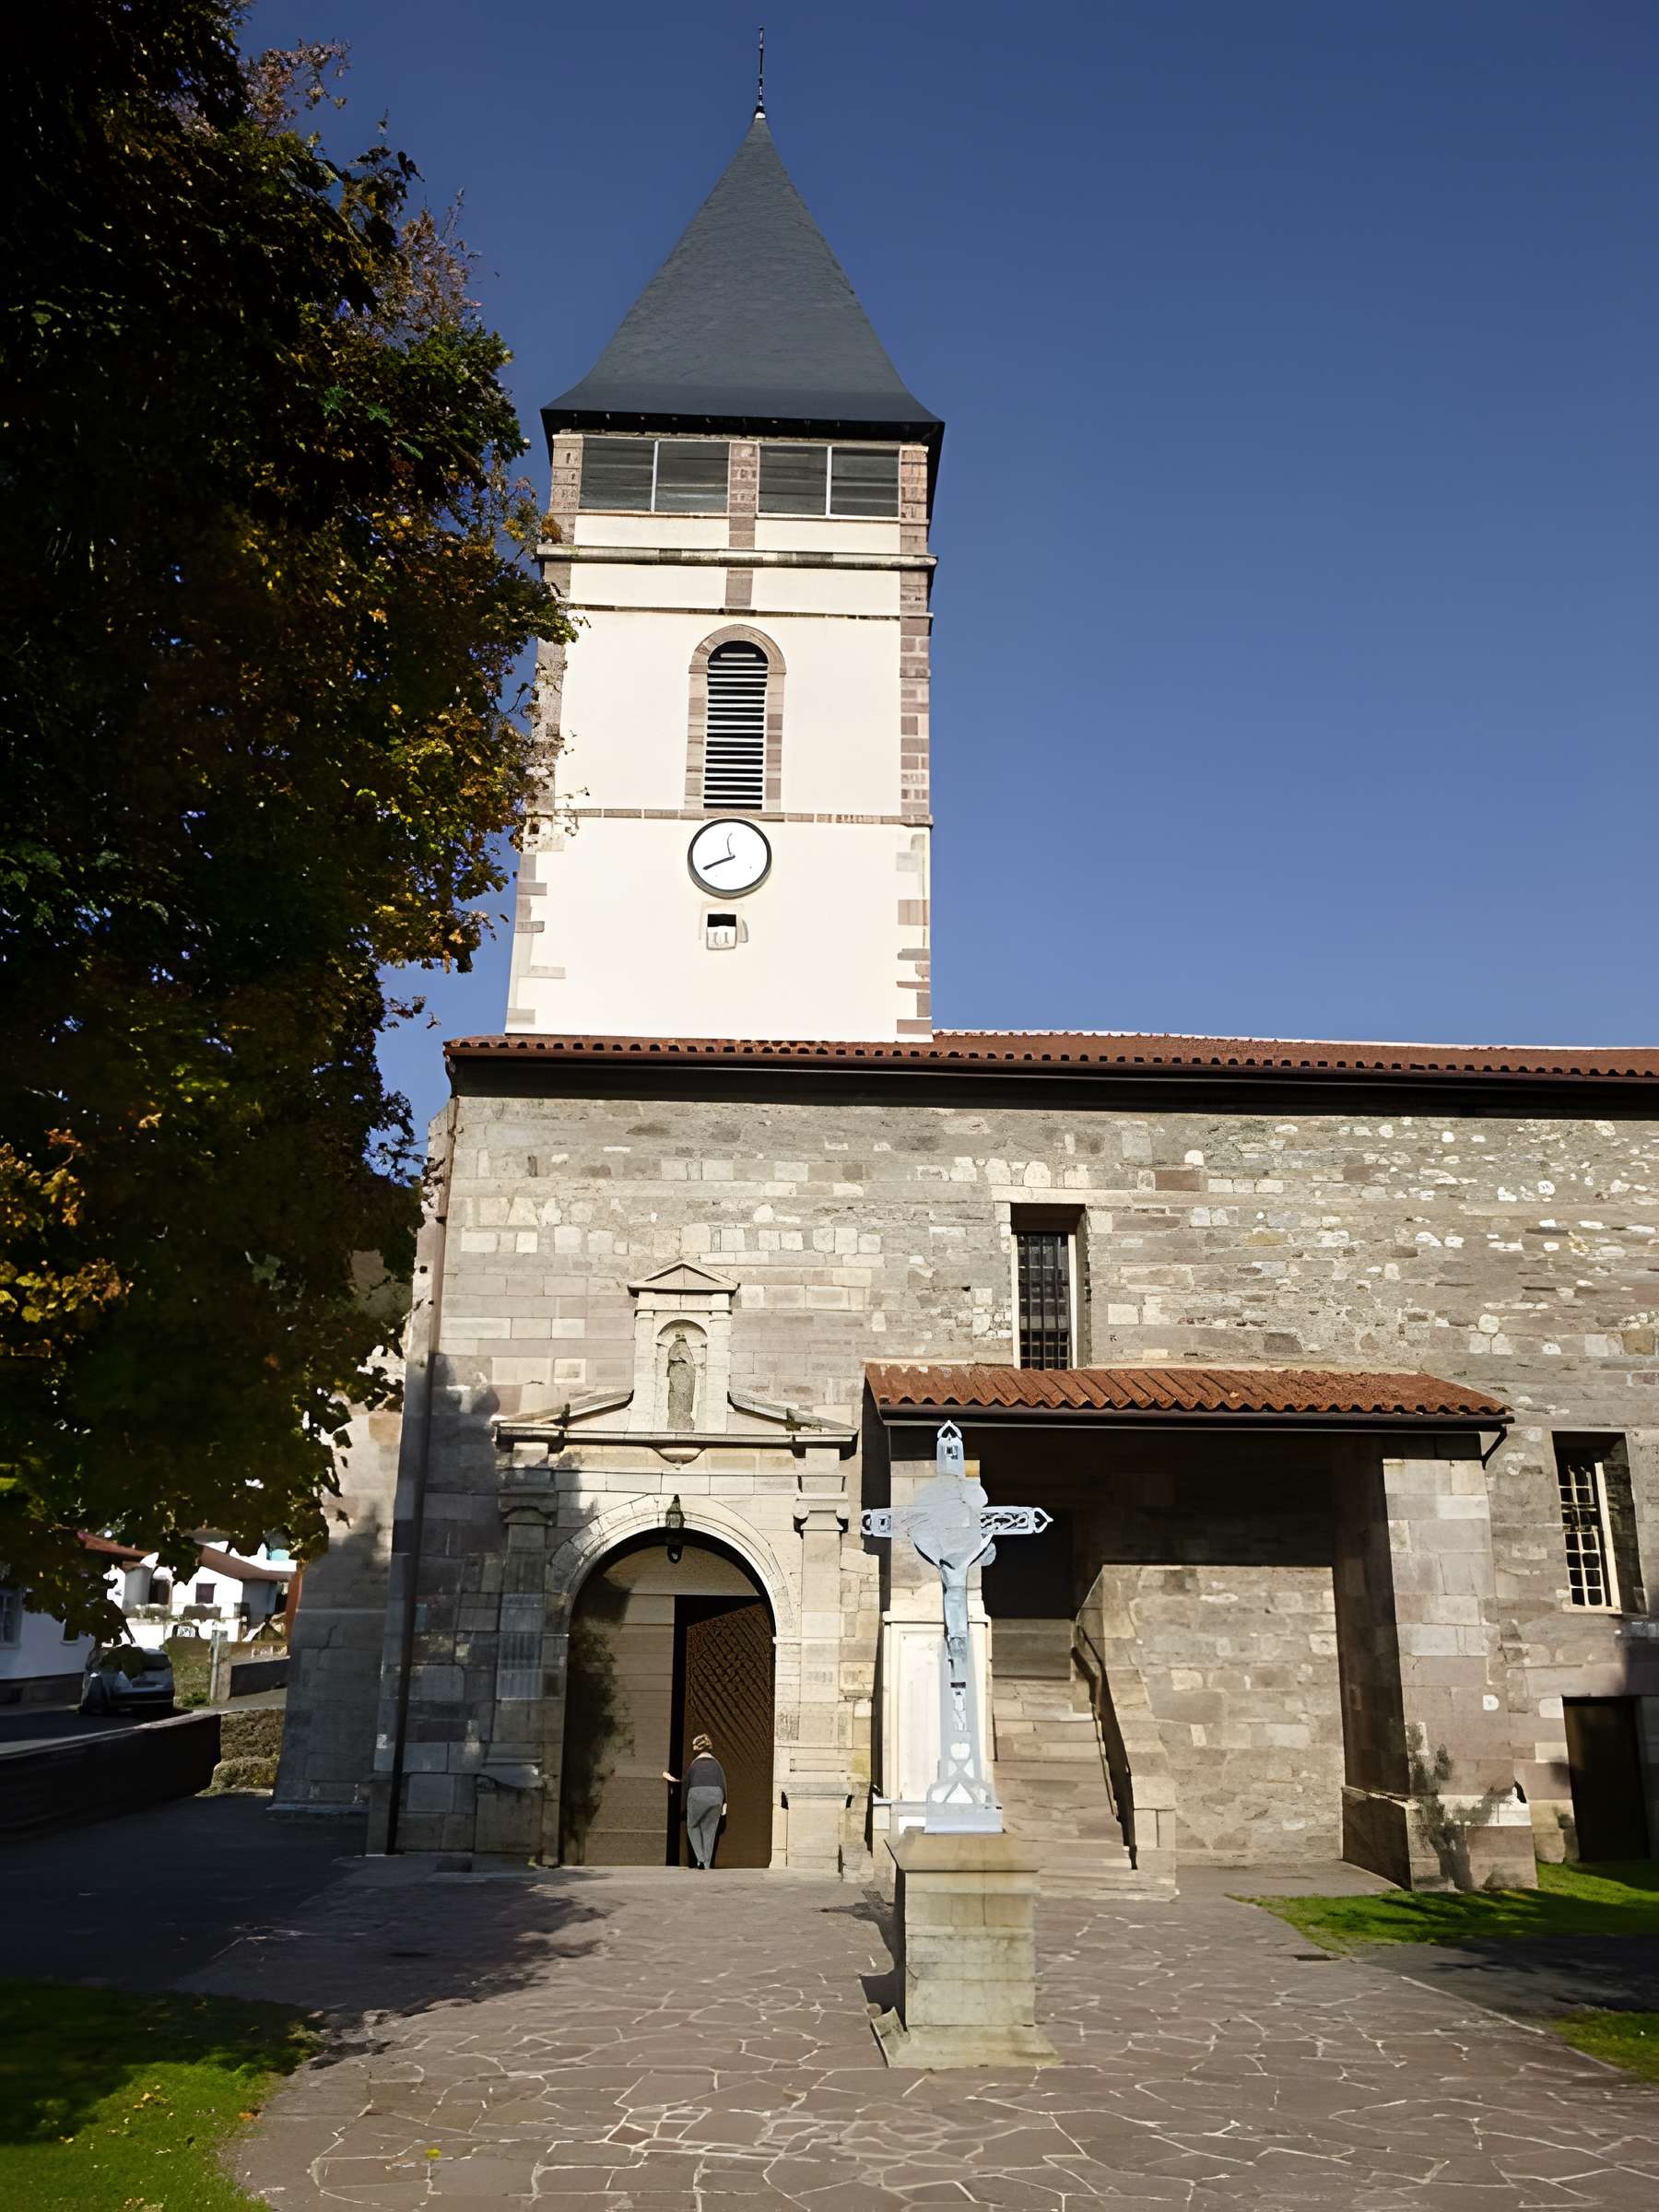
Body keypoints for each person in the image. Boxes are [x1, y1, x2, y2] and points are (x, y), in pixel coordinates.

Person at [662, 1734, 727, 1868]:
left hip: (696, 1794)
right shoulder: (717, 1764)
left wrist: (683, 1808)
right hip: (716, 1796)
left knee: (693, 1827)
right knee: (710, 1830)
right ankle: (707, 1863)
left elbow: (686, 1784)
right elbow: (723, 1783)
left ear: (697, 1748)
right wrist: (725, 1803)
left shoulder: (694, 1764)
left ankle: (700, 1859)